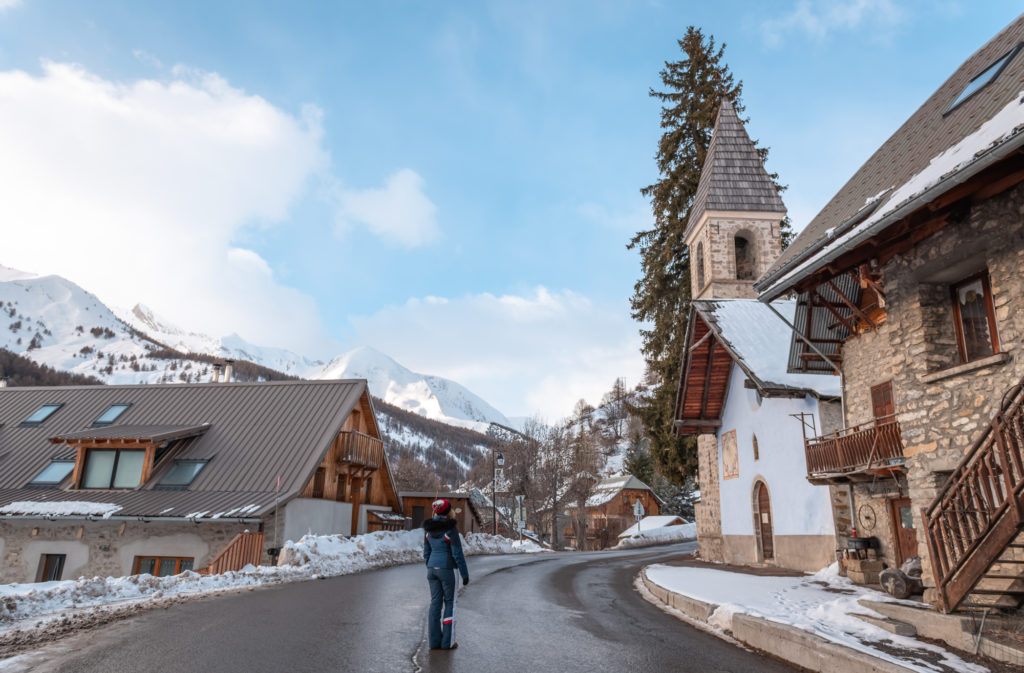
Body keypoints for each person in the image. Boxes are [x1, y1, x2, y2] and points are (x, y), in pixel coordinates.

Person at [423, 498, 470, 650]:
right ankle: (447, 642)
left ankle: (434, 642)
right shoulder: (450, 530)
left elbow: (426, 553)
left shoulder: (428, 530)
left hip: (432, 570)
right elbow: (457, 554)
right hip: (448, 569)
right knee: (450, 603)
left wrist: (431, 566)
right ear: (448, 511)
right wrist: (465, 574)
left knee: (435, 604)